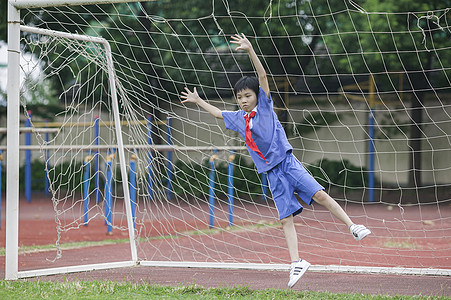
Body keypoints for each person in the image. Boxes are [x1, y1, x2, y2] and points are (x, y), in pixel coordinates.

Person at [180, 33, 371, 288]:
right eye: (239, 97)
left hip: (287, 163)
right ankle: (297, 262)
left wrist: (249, 49)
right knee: (285, 219)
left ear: (256, 95)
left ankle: (352, 226)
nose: (243, 100)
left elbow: (262, 77)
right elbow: (217, 113)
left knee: (320, 196)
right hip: (271, 173)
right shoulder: (239, 118)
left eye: (247, 95)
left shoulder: (266, 106)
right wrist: (198, 100)